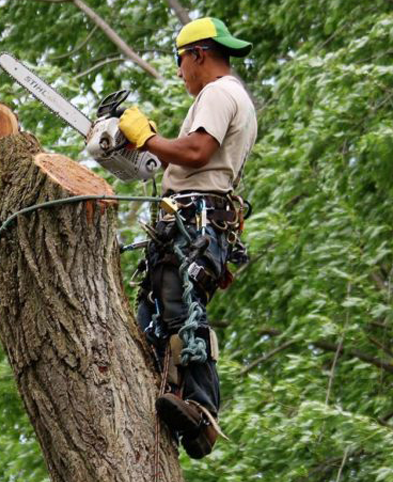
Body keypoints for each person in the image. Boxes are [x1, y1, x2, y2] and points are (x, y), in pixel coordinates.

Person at [118, 17, 257, 459]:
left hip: (197, 219)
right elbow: (190, 157)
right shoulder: (231, 96)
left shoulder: (218, 92)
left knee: (180, 308)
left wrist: (151, 139)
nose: (180, 73)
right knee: (153, 315)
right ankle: (165, 391)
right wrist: (149, 149)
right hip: (188, 219)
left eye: (180, 62)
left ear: (198, 54)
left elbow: (197, 151)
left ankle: (202, 412)